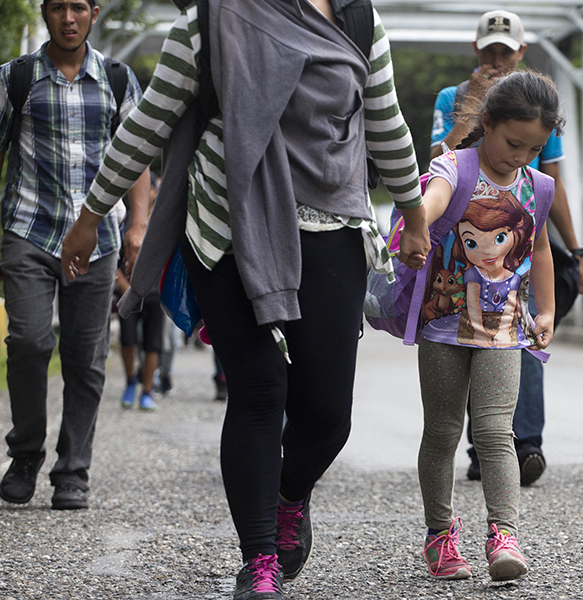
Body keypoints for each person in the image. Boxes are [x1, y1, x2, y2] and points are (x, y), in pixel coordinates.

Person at [59, 0, 426, 598]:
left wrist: (413, 213)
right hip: (230, 226)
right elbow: (148, 123)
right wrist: (91, 214)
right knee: (258, 392)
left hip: (332, 223)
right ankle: (259, 560)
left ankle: (288, 497)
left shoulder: (359, 20)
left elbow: (385, 122)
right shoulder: (210, 20)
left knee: (327, 415)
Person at [0, 0, 149, 511]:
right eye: (57, 8)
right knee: (29, 340)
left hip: (98, 239)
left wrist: (138, 224)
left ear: (94, 13)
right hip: (30, 230)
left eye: (78, 7)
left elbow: (135, 155)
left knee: (86, 358)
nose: (68, 18)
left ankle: (73, 470)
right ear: (44, 14)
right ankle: (26, 452)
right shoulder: (16, 78)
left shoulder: (117, 80)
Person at [429, 9, 583, 487]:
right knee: (467, 339)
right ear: (476, 50)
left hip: (519, 239)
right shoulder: (453, 96)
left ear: (521, 52)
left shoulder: (540, 109)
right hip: (466, 248)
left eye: (507, 50)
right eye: (490, 50)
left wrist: (575, 248)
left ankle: (525, 443)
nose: (498, 58)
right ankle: (483, 445)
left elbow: (551, 181)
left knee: (523, 334)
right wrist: (471, 113)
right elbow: (439, 164)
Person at [413, 71, 560, 582]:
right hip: (443, 325)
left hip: (504, 329)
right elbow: (434, 199)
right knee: (442, 431)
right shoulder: (454, 167)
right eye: (513, 143)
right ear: (488, 123)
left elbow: (541, 248)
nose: (520, 156)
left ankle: (504, 535)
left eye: (534, 149)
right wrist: (417, 220)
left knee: (497, 431)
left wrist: (546, 311)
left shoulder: (536, 186)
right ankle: (439, 534)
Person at [115, 266, 163, 411]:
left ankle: (147, 392)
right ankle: (130, 382)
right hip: (128, 289)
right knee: (127, 339)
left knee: (153, 344)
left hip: (155, 292)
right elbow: (113, 258)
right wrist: (122, 283)